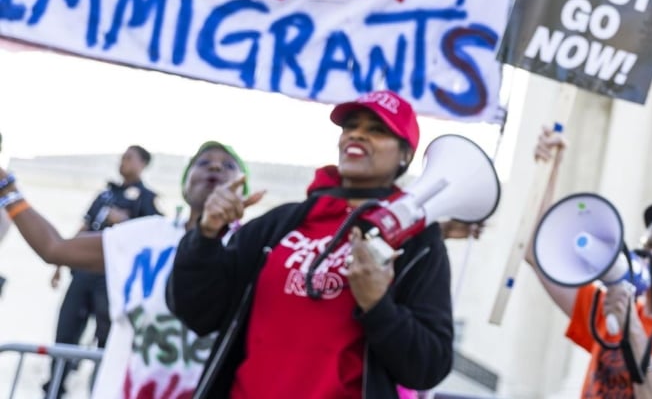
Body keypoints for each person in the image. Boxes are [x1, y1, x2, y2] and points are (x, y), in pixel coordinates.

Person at [167, 90, 454, 399]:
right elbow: (196, 312)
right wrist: (206, 235)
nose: (357, 135)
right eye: (350, 126)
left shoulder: (417, 241)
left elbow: (429, 365)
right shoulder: (277, 224)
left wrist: (377, 305)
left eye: (377, 129)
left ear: (405, 155)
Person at [0, 141, 252, 399]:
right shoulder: (145, 236)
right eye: (203, 162)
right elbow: (54, 248)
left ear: (244, 189)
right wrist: (8, 190)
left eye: (229, 165)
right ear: (185, 182)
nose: (215, 166)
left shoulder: (254, 250)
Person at [527, 126, 652, 399]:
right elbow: (538, 254)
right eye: (649, 244)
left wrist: (631, 328)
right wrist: (549, 169)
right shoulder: (609, 306)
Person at [47, 144, 162, 396]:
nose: (123, 162)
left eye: (129, 158)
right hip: (82, 274)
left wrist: (127, 223)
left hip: (112, 282)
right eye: (122, 157)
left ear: (142, 164)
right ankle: (54, 389)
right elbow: (84, 227)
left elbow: (153, 240)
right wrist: (59, 261)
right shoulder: (105, 194)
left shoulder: (147, 200)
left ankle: (98, 392)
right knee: (66, 332)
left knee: (107, 342)